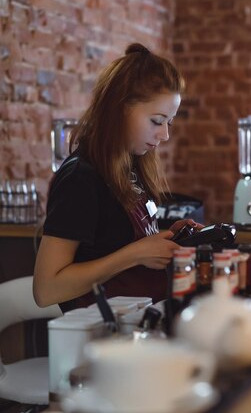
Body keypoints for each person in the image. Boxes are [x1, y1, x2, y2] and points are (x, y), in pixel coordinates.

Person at [33, 43, 200, 312]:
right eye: (157, 121)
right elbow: (46, 288)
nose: (165, 135)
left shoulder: (130, 169)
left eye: (169, 122)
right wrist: (133, 255)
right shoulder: (81, 178)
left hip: (138, 327)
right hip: (99, 341)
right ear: (119, 108)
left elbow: (113, 241)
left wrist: (169, 238)